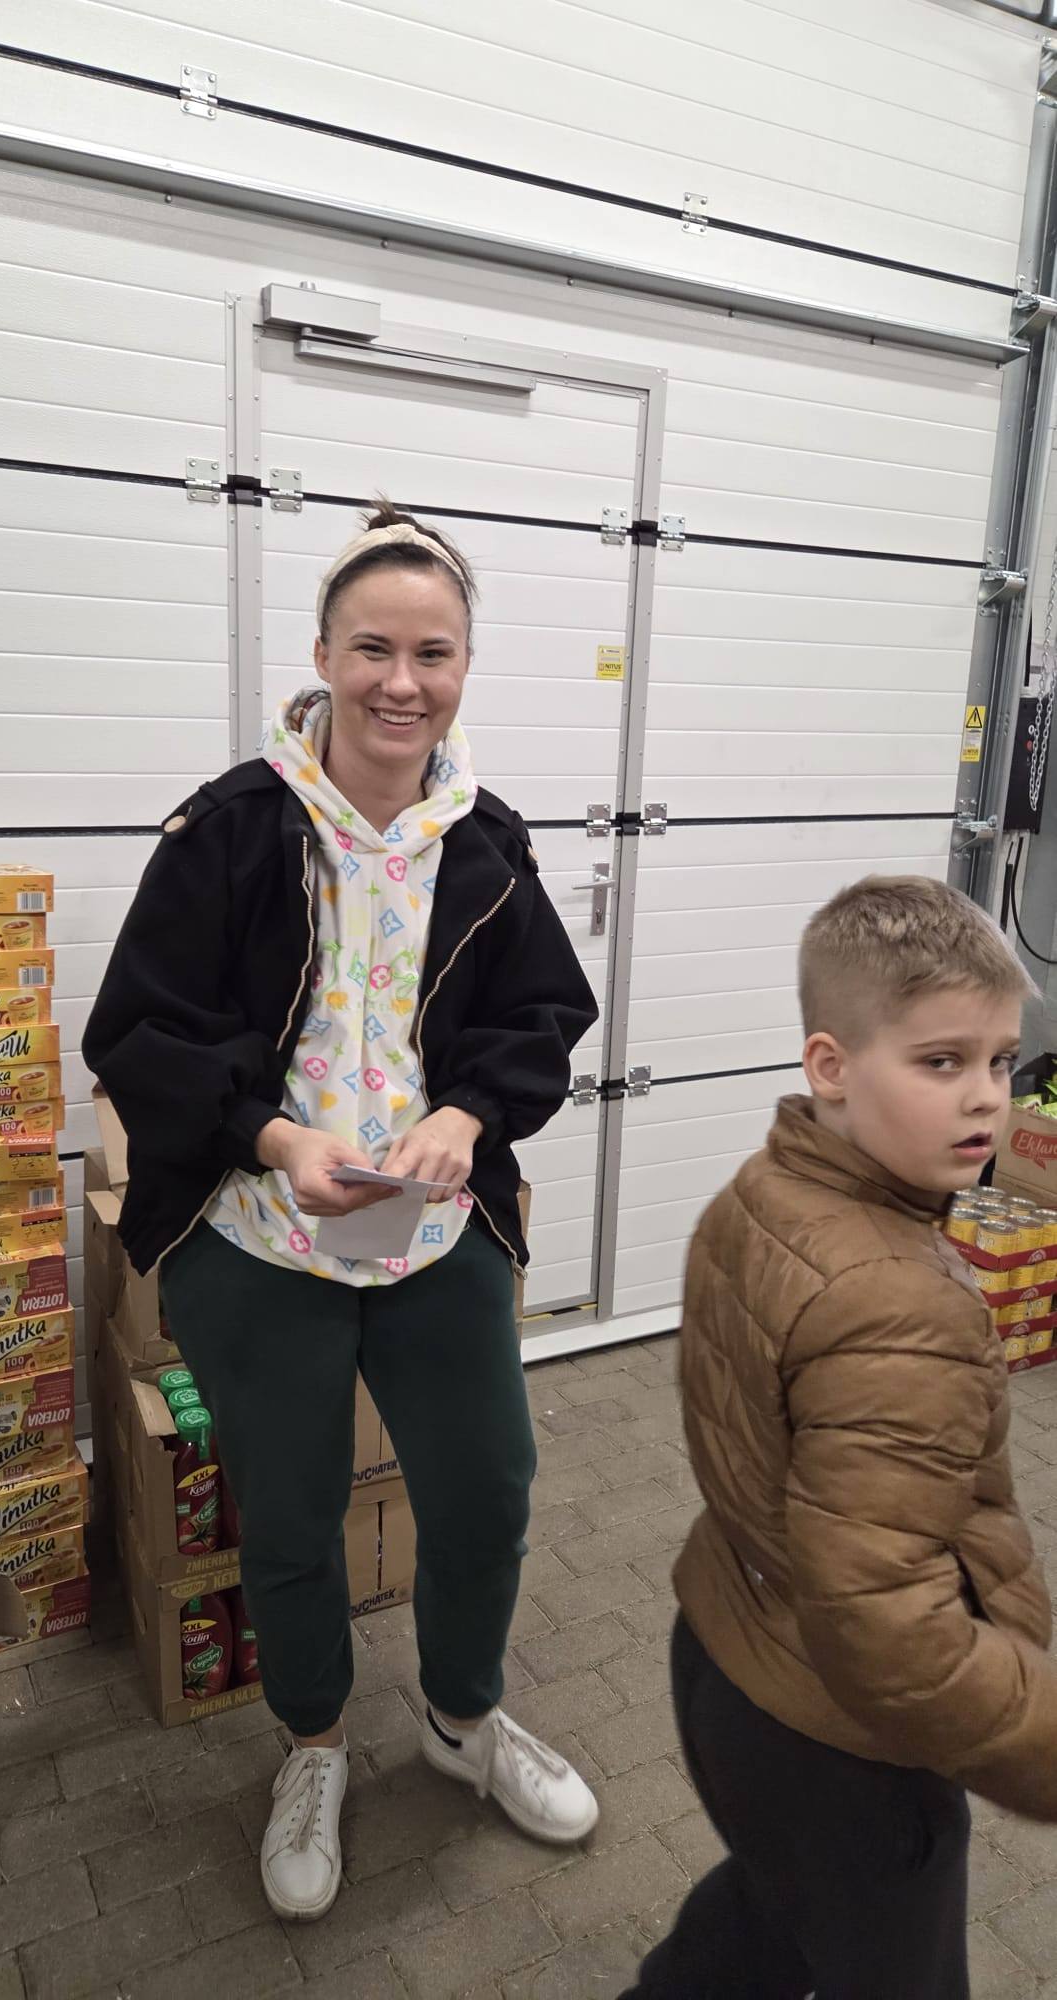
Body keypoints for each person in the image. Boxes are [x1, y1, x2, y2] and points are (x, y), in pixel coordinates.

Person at [84, 500, 601, 1922]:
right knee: (293, 1517)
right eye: (373, 647)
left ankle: (460, 1719)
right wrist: (268, 1135)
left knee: (486, 1492)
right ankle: (311, 1744)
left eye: (433, 653)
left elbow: (543, 1016)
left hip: (434, 1238)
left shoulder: (485, 843)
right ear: (321, 653)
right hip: (259, 1241)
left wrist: (466, 1115)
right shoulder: (231, 829)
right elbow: (139, 1031)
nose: (400, 681)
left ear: (463, 666)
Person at [619, 876, 1057, 2000]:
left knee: (767, 1922)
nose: (987, 1097)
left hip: (725, 1648)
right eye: (941, 1061)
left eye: (1001, 1060)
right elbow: (892, 1634)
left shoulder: (764, 1189)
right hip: (841, 1748)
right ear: (830, 1065)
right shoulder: (896, 1303)